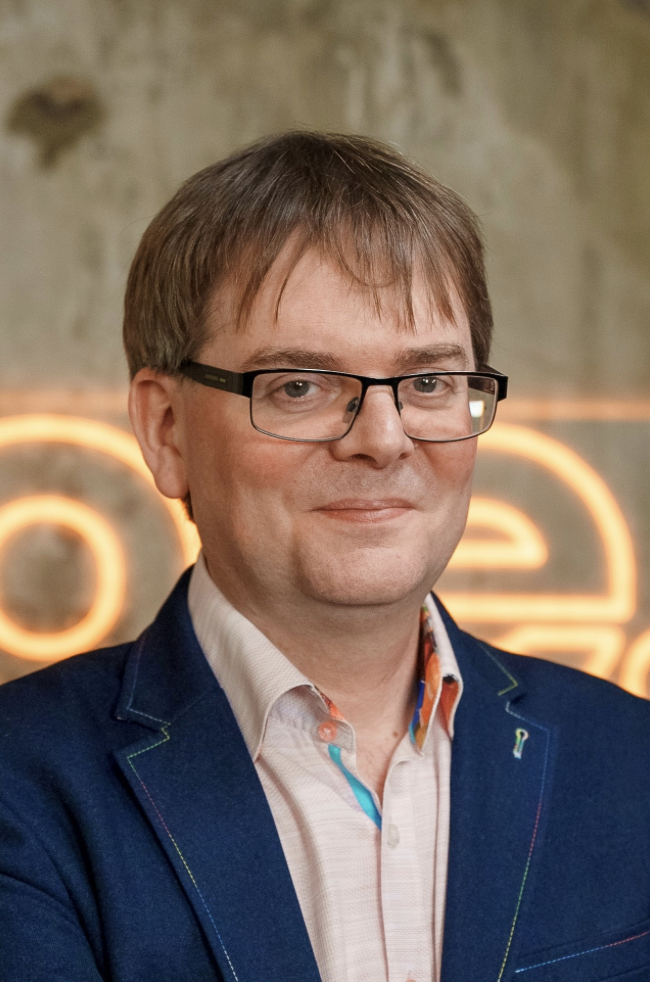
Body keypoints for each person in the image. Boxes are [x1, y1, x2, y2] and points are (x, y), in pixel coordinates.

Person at [1, 132, 649, 982]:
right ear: (166, 431)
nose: (383, 441)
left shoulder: (629, 761)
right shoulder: (23, 786)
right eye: (300, 385)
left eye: (426, 383)